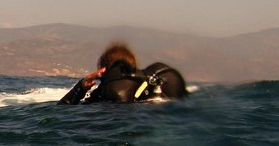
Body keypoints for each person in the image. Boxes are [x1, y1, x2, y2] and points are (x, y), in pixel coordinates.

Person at [59, 42, 188, 105]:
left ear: (104, 69)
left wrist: (81, 87)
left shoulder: (102, 96)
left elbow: (63, 111)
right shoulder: (150, 87)